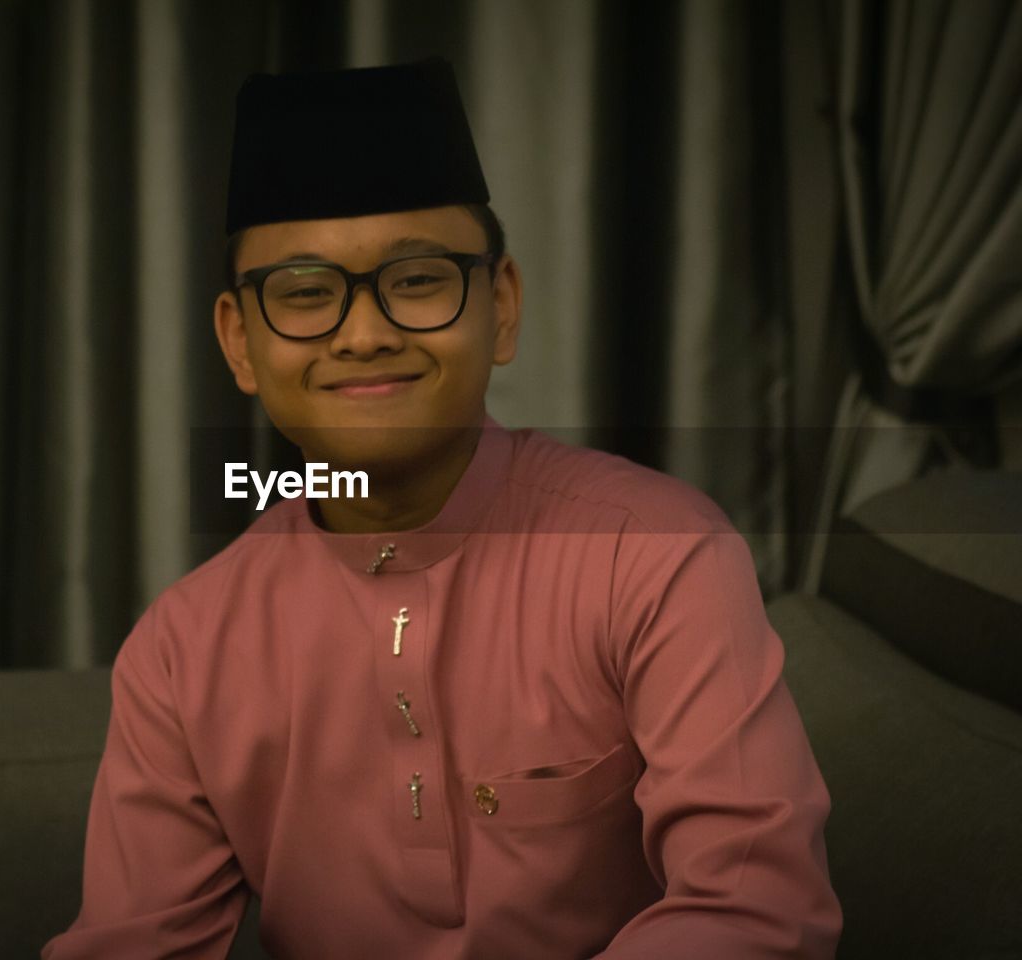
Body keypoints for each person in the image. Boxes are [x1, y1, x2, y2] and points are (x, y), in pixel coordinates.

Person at [43, 57, 842, 959]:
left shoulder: (656, 557)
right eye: (305, 295)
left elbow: (755, 912)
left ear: (499, 306)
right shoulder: (183, 651)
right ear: (239, 342)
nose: (365, 331)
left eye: (418, 280)